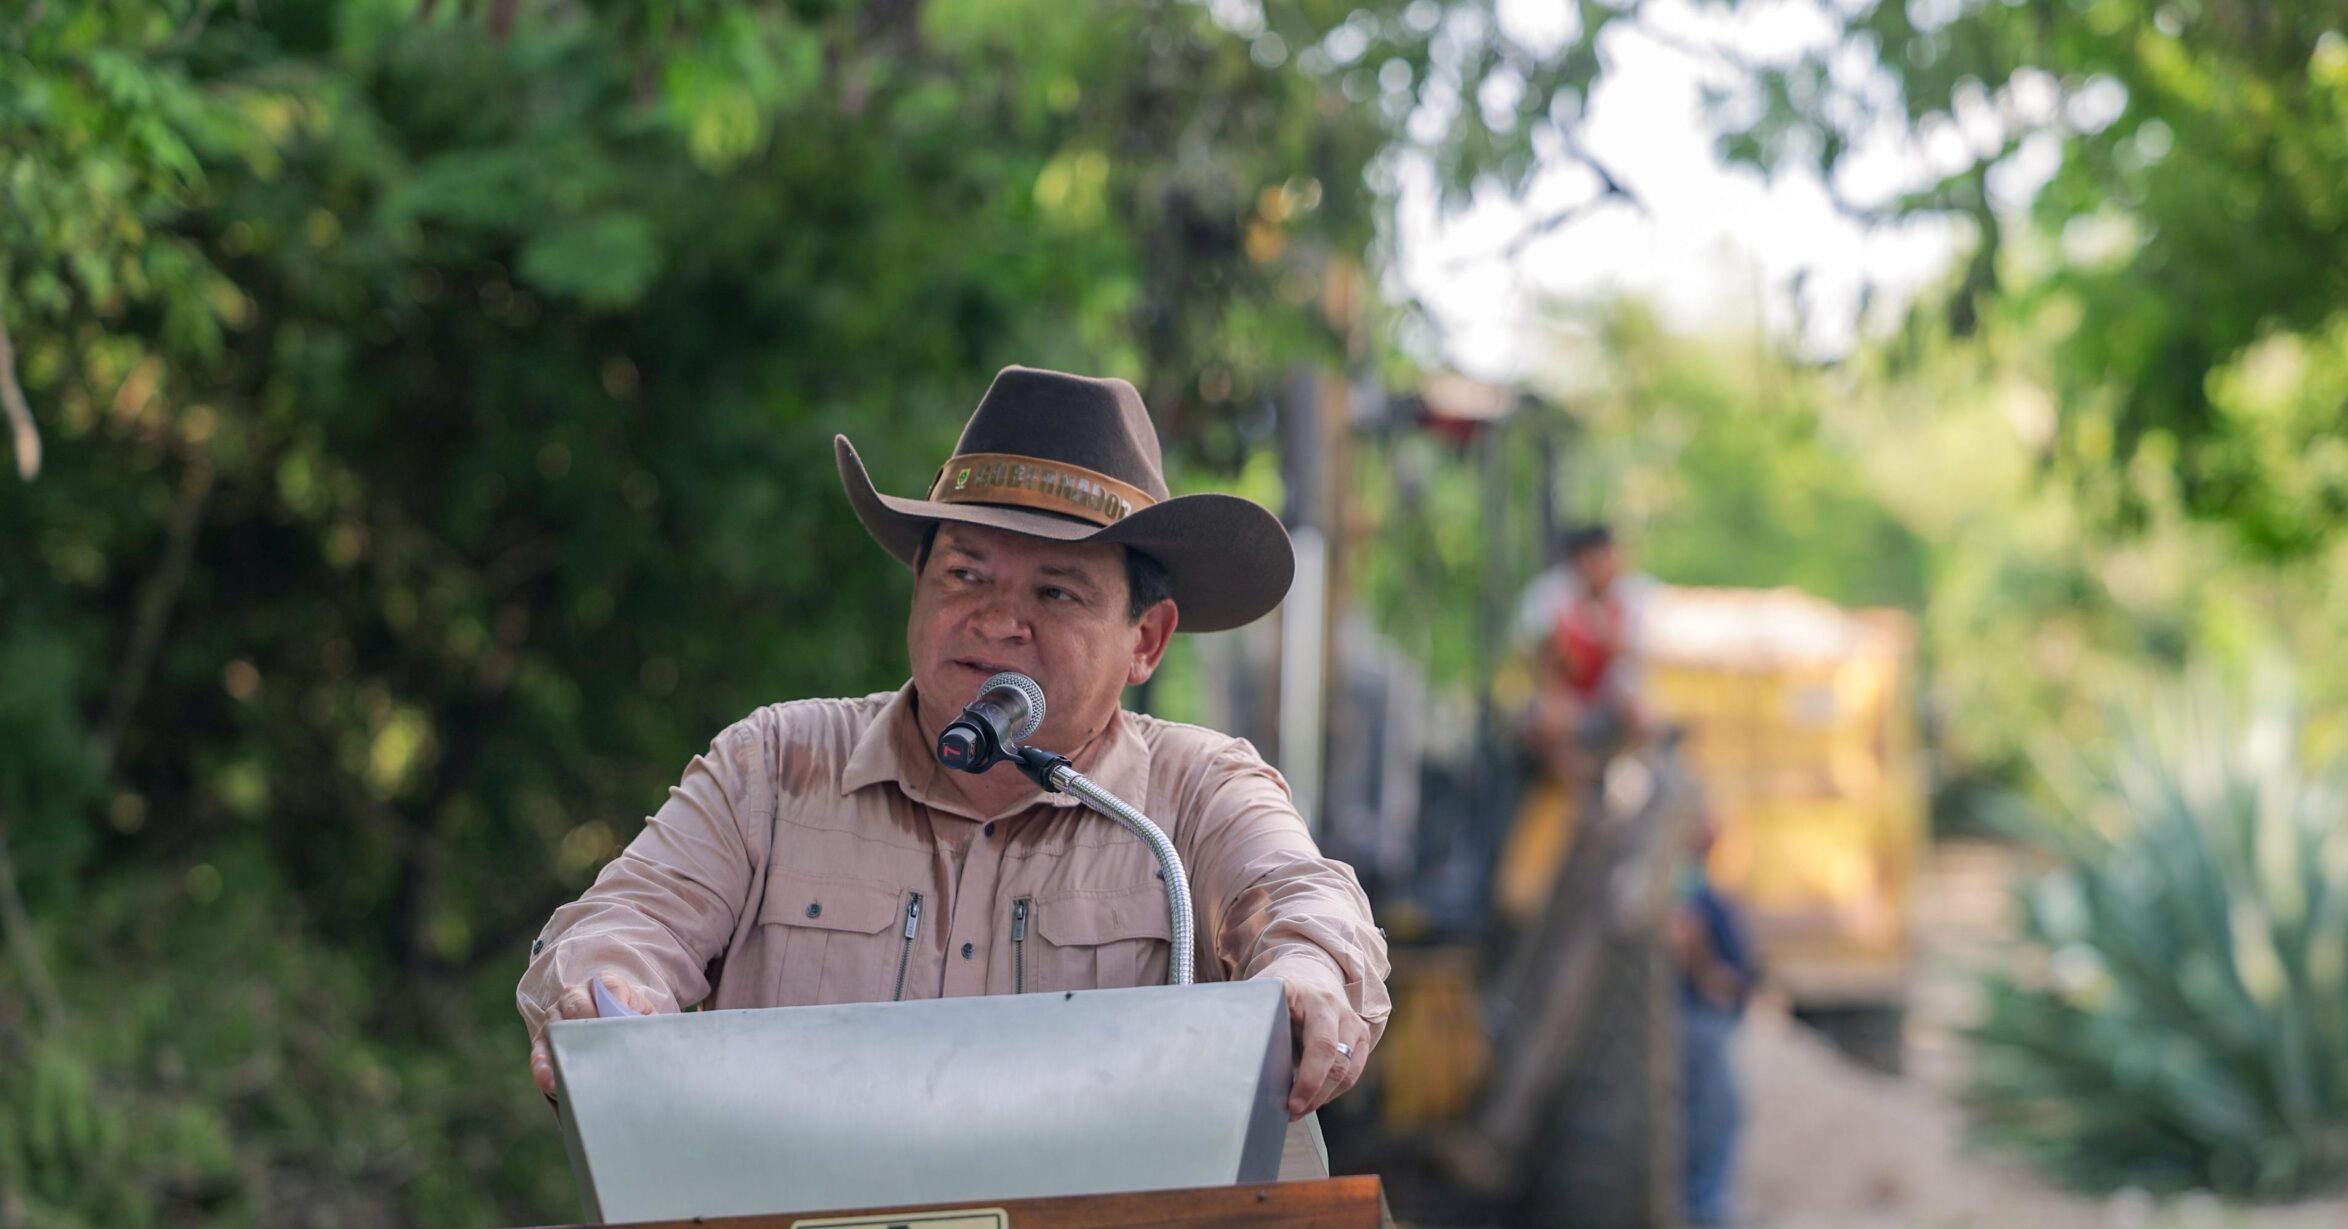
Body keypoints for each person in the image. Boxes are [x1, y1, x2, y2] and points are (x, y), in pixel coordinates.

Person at [518, 366, 1389, 1120]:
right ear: (918, 589)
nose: (998, 621)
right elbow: (625, 923)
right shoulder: (775, 765)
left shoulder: (1194, 795)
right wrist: (609, 993)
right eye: (966, 574)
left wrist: (1307, 971)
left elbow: (1304, 903)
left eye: (1057, 593)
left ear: (1146, 642)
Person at [1668, 809, 1757, 1229]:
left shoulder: (1699, 886)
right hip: (1697, 1017)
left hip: (1706, 1017)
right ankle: (1702, 1203)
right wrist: (1708, 976)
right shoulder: (1685, 889)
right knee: (1711, 1112)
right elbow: (1683, 933)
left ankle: (1702, 1200)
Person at [1513, 521, 1655, 780]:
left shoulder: (1633, 594)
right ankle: (1576, 783)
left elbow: (1638, 656)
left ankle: (1630, 776)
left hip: (1613, 699)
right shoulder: (1549, 596)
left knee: (1643, 718)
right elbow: (1535, 656)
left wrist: (1606, 636)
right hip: (1564, 697)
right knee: (1548, 720)